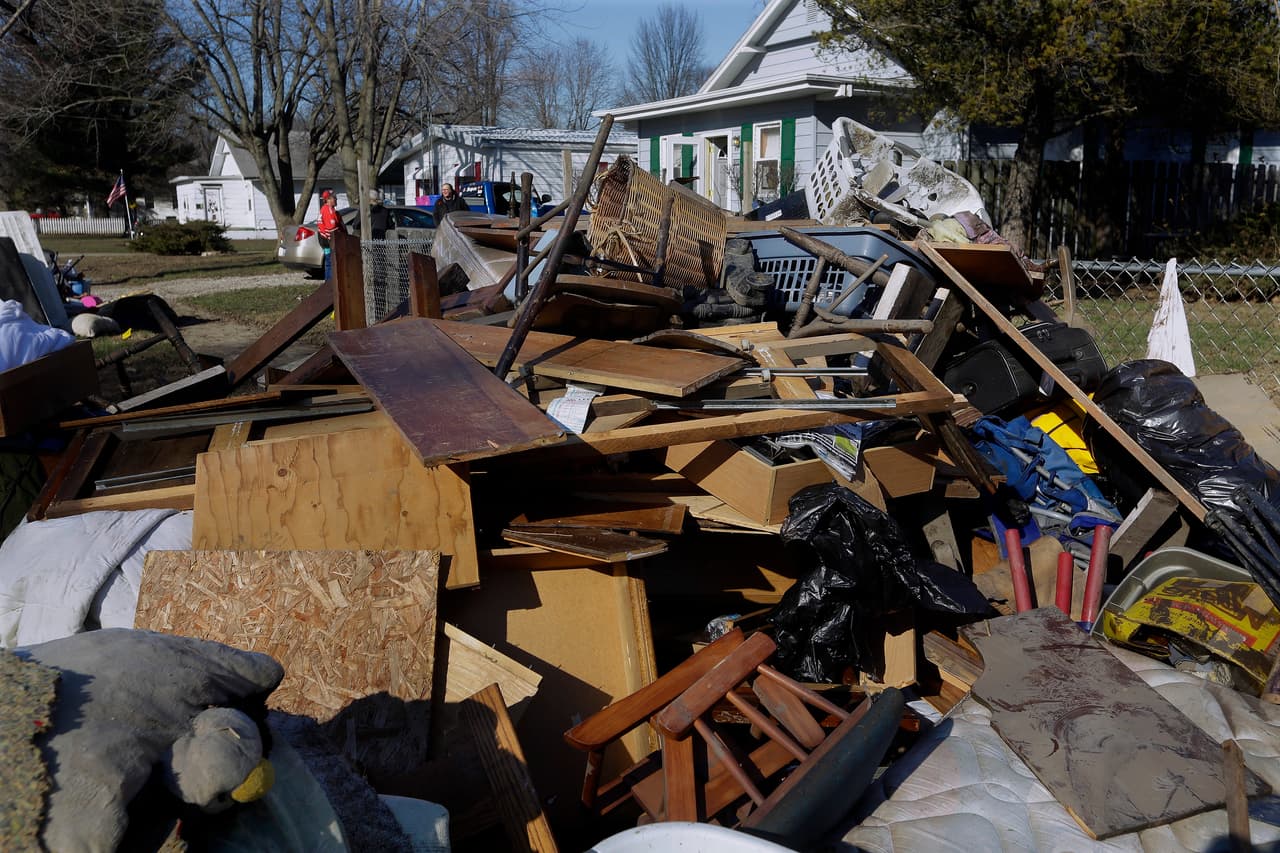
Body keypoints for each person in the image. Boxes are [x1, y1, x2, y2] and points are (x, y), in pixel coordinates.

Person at [317, 189, 345, 280]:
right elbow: (331, 229)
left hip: (326, 240)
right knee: (331, 262)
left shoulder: (329, 210)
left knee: (329, 262)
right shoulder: (328, 210)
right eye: (334, 197)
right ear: (328, 199)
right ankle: (330, 284)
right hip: (329, 241)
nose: (336, 199)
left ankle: (329, 282)